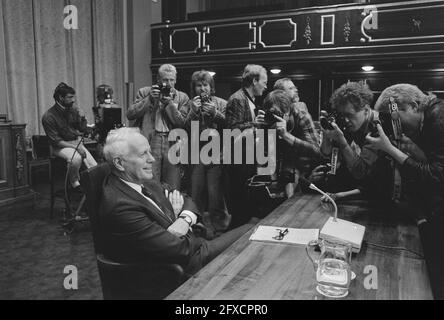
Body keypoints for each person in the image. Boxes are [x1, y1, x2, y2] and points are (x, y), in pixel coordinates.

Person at [100, 127, 255, 279]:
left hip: (192, 248)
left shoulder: (141, 179)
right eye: (143, 154)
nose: (152, 159)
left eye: (149, 151)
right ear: (119, 163)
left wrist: (183, 219)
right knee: (253, 232)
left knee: (255, 227)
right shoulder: (120, 207)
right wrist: (176, 220)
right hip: (183, 269)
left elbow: (187, 199)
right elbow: (181, 250)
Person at [366, 84, 444, 298]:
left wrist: (390, 150)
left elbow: (437, 177)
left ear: (414, 105)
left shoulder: (438, 116)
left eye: (396, 118)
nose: (395, 125)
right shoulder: (428, 119)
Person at [319, 81, 392, 202]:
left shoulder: (378, 129)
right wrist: (326, 133)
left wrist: (342, 142)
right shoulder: (350, 124)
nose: (346, 120)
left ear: (366, 110)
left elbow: (361, 172)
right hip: (353, 192)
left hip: (379, 199)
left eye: (350, 115)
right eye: (342, 115)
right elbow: (326, 154)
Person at [127, 64, 189, 190]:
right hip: (151, 140)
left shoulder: (182, 97)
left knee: (173, 184)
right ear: (158, 80)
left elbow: (181, 123)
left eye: (172, 80)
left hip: (172, 142)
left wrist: (169, 104)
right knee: (150, 182)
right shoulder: (145, 92)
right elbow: (130, 114)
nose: (169, 84)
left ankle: (171, 209)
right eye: (165, 80)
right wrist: (149, 99)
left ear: (176, 80)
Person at [185, 70, 230, 234]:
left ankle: (220, 228)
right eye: (198, 85)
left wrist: (215, 113)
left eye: (205, 85)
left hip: (216, 154)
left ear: (211, 87)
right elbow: (183, 127)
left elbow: (231, 125)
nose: (202, 89)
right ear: (194, 88)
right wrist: (193, 112)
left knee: (215, 193)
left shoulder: (222, 103)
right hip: (196, 153)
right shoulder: (189, 104)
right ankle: (196, 226)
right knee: (195, 192)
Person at [224, 64, 268, 228]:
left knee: (244, 207)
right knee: (240, 207)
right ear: (255, 80)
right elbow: (231, 131)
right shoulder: (238, 98)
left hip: (245, 158)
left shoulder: (249, 99)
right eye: (264, 81)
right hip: (238, 161)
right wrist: (254, 123)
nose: (266, 85)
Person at [260, 89, 321, 197]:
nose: (275, 117)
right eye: (272, 113)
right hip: (280, 170)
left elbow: (315, 151)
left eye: (278, 113)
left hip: (304, 168)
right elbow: (264, 156)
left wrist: (286, 135)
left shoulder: (302, 117)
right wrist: (257, 131)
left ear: (289, 111)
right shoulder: (268, 122)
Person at [42, 83, 97, 192]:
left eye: (73, 97)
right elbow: (56, 141)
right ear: (61, 98)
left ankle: (92, 190)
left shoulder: (73, 110)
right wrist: (76, 147)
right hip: (59, 147)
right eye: (70, 97)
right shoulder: (48, 116)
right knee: (75, 159)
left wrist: (83, 117)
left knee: (94, 166)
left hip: (75, 142)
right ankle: (75, 183)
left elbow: (82, 129)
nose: (73, 100)